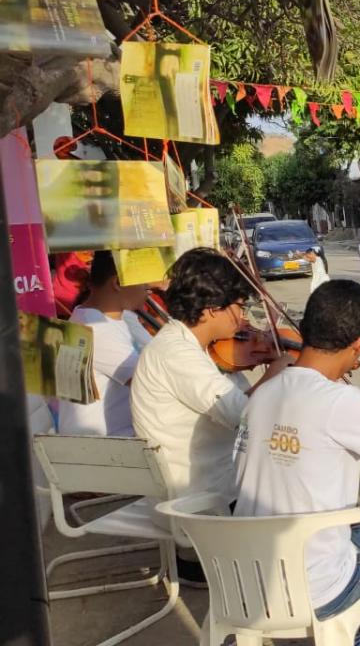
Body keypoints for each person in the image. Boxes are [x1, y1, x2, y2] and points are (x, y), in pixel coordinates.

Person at [233, 279, 360, 646]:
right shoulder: (341, 401)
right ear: (358, 342)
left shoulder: (265, 391)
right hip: (312, 586)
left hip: (244, 575)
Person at [132, 249, 291, 586]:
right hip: (202, 511)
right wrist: (275, 373)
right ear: (210, 309)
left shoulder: (188, 345)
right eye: (239, 306)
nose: (243, 318)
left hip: (211, 489)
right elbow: (240, 414)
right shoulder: (176, 354)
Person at [58, 251, 150, 437]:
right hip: (105, 445)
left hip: (119, 437)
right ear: (117, 282)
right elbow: (155, 382)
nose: (148, 288)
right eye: (143, 281)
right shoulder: (94, 329)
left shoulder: (105, 318)